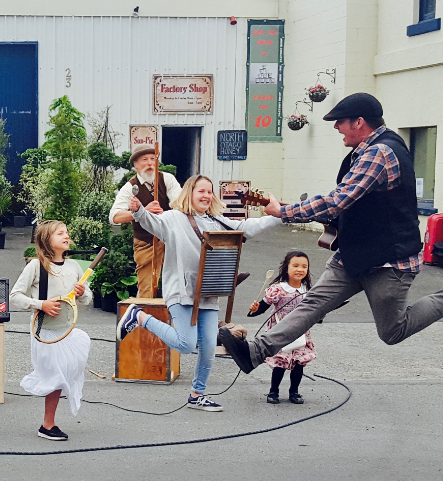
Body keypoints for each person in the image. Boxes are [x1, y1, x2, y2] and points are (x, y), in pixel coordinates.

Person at [217, 93, 443, 374]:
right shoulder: (363, 153)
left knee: (392, 332)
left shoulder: (380, 152)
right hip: (354, 254)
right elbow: (346, 208)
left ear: (359, 122)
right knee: (311, 303)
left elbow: (339, 199)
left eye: (340, 122)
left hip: (389, 261)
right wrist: (290, 211)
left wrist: (285, 212)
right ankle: (255, 353)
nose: (336, 128)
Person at [117, 175, 281, 412]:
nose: (205, 195)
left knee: (207, 349)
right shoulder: (174, 218)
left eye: (209, 191)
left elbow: (247, 228)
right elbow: (152, 223)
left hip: (208, 291)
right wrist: (138, 211)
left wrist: (280, 217)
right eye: (200, 191)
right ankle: (140, 317)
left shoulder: (217, 221)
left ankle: (197, 394)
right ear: (189, 193)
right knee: (186, 344)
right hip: (181, 291)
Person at [10, 220, 92, 441]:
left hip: (67, 331)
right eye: (59, 233)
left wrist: (83, 292)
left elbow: (86, 299)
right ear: (47, 240)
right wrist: (41, 304)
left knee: (63, 374)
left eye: (66, 232)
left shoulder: (75, 266)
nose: (66, 236)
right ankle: (48, 424)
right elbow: (15, 296)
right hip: (44, 332)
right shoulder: (36, 266)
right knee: (55, 377)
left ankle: (48, 423)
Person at [108, 145, 182, 298]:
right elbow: (114, 217)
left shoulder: (167, 179)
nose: (150, 163)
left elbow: (182, 206)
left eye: (153, 159)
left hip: (171, 239)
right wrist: (140, 213)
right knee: (147, 290)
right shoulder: (130, 187)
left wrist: (167, 214)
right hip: (146, 241)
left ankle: (176, 320)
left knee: (179, 285)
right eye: (144, 160)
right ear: (135, 165)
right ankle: (146, 319)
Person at [249, 251, 316, 405]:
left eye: (304, 266)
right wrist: (254, 309)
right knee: (281, 362)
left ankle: (294, 392)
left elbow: (314, 311)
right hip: (280, 330)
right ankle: (273, 391)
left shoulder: (307, 289)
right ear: (286, 268)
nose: (300, 269)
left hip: (300, 331)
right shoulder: (278, 288)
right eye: (295, 265)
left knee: (299, 362)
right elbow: (262, 308)